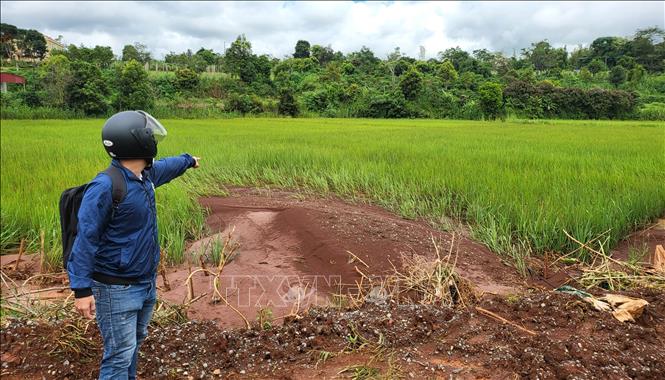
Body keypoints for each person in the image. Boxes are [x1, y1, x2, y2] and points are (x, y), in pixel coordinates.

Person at [67, 110, 200, 380]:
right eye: (149, 136)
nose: (153, 139)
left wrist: (188, 161)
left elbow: (168, 166)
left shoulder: (145, 176)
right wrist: (81, 290)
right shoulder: (106, 186)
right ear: (138, 143)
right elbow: (85, 238)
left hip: (144, 282)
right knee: (119, 354)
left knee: (133, 345)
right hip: (116, 287)